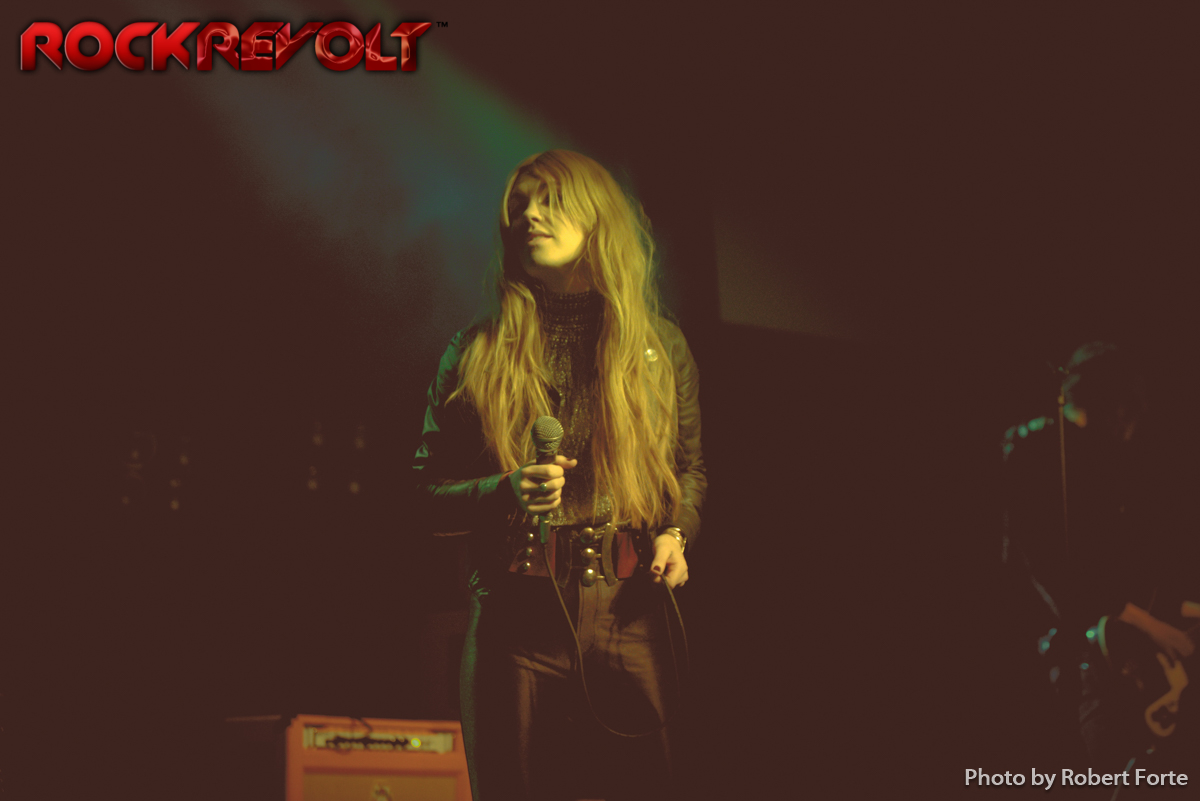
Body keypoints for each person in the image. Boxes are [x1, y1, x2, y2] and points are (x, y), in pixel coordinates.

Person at [412, 150, 705, 800]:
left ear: (596, 217)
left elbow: (688, 468)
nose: (528, 216)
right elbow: (423, 495)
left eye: (549, 200)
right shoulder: (475, 351)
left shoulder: (659, 348)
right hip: (516, 618)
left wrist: (675, 533)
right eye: (519, 205)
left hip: (631, 615)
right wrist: (504, 489)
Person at [1001, 342, 1198, 783]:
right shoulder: (1044, 450)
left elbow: (1116, 572)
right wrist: (1157, 630)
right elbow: (1063, 574)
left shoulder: (1092, 459)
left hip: (1088, 650)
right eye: (1132, 407)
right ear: (1117, 404)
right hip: (1057, 654)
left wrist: (1174, 611)